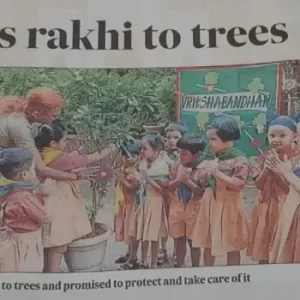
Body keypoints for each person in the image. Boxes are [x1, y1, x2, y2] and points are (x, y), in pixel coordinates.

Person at [34, 124, 116, 272]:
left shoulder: (42, 154)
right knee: (58, 245)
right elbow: (91, 158)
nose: (66, 144)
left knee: (50, 246)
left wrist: (78, 151)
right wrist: (110, 147)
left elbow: (70, 158)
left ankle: (46, 276)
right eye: (64, 141)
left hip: (46, 203)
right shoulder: (59, 158)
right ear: (53, 143)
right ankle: (52, 282)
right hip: (57, 206)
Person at [0, 89, 92, 181]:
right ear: (36, 114)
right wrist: (75, 176)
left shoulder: (22, 109)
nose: (56, 119)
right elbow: (40, 170)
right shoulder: (20, 126)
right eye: (54, 115)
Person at [193, 116, 249, 266]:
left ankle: (233, 277)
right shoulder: (213, 157)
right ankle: (208, 276)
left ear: (227, 138)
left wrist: (217, 173)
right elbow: (200, 181)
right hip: (210, 204)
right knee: (208, 242)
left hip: (229, 206)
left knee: (232, 244)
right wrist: (202, 173)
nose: (210, 143)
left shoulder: (239, 159)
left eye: (213, 139)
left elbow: (239, 184)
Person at [247, 115, 299, 264]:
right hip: (264, 206)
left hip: (285, 207)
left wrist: (279, 171)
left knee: (281, 247)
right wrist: (266, 170)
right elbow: (258, 185)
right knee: (262, 243)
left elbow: (291, 189)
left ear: (294, 137)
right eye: (272, 135)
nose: (276, 139)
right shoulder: (263, 157)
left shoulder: (295, 160)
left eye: (283, 135)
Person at [0, 148, 48, 272]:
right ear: (24, 174)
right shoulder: (24, 197)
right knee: (29, 273)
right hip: (26, 242)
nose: (35, 171)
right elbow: (44, 217)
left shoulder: (6, 189)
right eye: (33, 168)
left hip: (10, 238)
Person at [129, 133, 169, 269]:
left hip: (155, 203)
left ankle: (153, 263)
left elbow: (163, 190)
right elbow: (138, 183)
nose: (141, 151)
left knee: (154, 234)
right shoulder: (142, 164)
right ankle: (144, 261)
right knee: (143, 233)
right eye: (141, 148)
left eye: (145, 148)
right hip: (142, 202)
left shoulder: (162, 166)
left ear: (156, 150)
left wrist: (148, 179)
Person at [168, 134, 207, 267]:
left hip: (194, 210)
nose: (180, 156)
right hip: (177, 208)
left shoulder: (202, 169)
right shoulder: (175, 166)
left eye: (184, 154)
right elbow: (169, 186)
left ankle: (195, 269)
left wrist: (186, 180)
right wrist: (178, 179)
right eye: (179, 153)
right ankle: (180, 266)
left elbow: (200, 192)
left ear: (196, 154)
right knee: (178, 240)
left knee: (193, 242)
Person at [157, 122, 187, 266]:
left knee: (176, 223)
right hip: (163, 194)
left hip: (177, 195)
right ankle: (162, 251)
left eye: (176, 137)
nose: (171, 141)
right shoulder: (160, 154)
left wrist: (168, 162)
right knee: (162, 221)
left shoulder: (184, 154)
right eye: (168, 138)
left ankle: (177, 252)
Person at [114, 140, 141, 270]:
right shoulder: (124, 168)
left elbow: (132, 189)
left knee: (132, 232)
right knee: (127, 231)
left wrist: (122, 180)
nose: (129, 159)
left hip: (133, 205)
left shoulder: (136, 172)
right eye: (126, 156)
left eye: (133, 156)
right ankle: (129, 253)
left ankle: (134, 258)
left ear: (138, 156)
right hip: (125, 204)